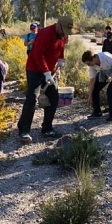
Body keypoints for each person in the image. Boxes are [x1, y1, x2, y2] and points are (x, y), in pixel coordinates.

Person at [17, 16, 74, 144]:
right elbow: (38, 54)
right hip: (34, 70)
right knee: (32, 98)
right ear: (58, 25)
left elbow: (61, 48)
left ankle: (47, 128)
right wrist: (46, 72)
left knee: (53, 98)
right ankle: (24, 131)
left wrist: (61, 60)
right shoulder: (45, 33)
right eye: (63, 30)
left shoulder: (63, 36)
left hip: (50, 71)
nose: (65, 34)